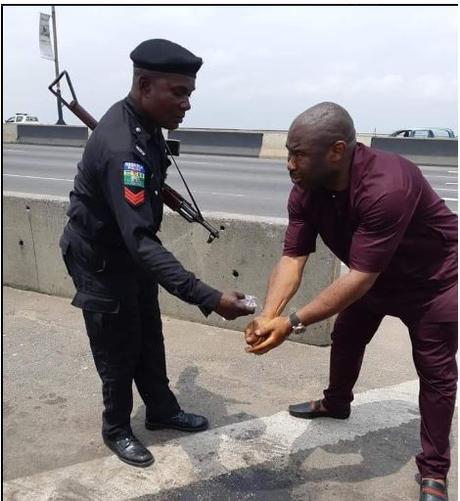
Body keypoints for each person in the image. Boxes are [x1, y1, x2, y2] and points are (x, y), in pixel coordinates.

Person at [244, 102, 457, 501]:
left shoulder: (388, 185)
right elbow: (292, 257)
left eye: (299, 154)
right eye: (289, 151)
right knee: (347, 337)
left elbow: (359, 277)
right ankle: (336, 403)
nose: (289, 163)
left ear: (338, 151)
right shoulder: (307, 190)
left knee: (437, 376)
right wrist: (268, 317)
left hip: (433, 283)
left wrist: (291, 322)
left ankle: (434, 471)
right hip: (374, 279)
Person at [60, 39, 254, 468]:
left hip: (130, 251)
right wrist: (208, 297)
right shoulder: (122, 148)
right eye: (179, 92)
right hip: (101, 259)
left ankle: (162, 409)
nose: (186, 104)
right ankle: (116, 428)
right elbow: (141, 240)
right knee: (117, 343)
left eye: (190, 94)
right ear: (145, 84)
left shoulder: (146, 127)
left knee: (148, 329)